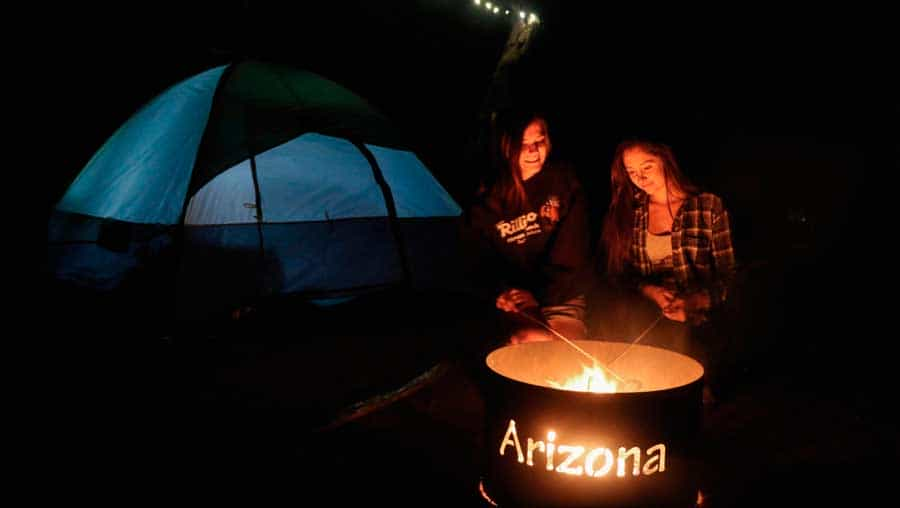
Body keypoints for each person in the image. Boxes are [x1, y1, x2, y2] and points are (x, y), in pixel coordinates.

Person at [594, 138, 737, 402]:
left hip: (698, 312)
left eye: (647, 167)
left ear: (666, 160)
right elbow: (619, 275)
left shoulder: (706, 206)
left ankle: (695, 392)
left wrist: (695, 300)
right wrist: (651, 291)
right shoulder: (630, 212)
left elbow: (729, 276)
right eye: (632, 171)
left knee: (690, 339)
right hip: (645, 313)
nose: (640, 177)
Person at [462, 109, 591, 346]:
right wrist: (499, 292)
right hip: (515, 298)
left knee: (567, 357)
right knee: (527, 343)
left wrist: (539, 296)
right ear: (507, 148)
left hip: (560, 295)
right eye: (524, 144)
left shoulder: (564, 181)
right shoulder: (488, 196)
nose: (533, 151)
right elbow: (479, 258)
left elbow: (572, 253)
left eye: (539, 141)